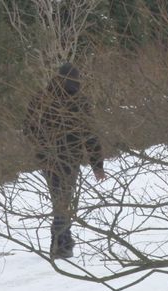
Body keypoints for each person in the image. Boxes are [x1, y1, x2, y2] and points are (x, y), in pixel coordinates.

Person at [23, 63, 105, 259]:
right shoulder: (79, 101)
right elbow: (89, 134)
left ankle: (62, 241)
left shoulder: (41, 99)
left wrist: (40, 148)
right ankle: (61, 242)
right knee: (63, 200)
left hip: (48, 158)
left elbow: (28, 128)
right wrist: (97, 165)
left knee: (59, 199)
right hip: (69, 158)